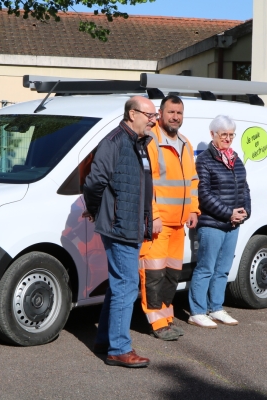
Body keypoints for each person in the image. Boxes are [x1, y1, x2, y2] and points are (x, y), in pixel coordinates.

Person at [82, 95, 156, 368]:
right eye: (149, 115)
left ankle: (105, 340)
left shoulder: (140, 144)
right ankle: (119, 349)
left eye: (154, 116)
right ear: (132, 114)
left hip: (132, 225)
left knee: (119, 285)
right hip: (119, 226)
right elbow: (93, 183)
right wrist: (96, 209)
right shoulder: (114, 142)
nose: (153, 120)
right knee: (126, 286)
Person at [139, 95, 199, 341]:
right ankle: (157, 323)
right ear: (161, 113)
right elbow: (147, 182)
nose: (175, 117)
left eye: (179, 113)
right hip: (158, 224)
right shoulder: (151, 140)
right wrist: (152, 216)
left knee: (171, 276)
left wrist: (194, 209)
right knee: (153, 275)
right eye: (171, 112)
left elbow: (192, 180)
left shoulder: (185, 142)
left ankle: (166, 317)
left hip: (179, 224)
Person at [188, 115, 250, 328]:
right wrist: (228, 213)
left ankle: (216, 308)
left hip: (232, 224)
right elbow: (204, 194)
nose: (228, 139)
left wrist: (245, 211)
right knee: (206, 267)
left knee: (223, 268)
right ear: (212, 134)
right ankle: (197, 311)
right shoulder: (205, 160)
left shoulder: (235, 158)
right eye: (224, 134)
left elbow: (244, 188)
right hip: (213, 223)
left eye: (231, 135)